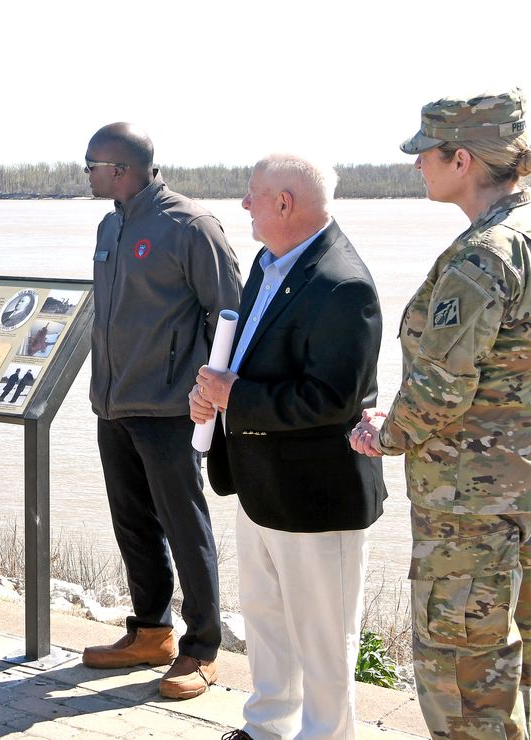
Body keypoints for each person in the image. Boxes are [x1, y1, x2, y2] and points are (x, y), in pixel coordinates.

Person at [351, 89, 531, 738]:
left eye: (423, 153)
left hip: (472, 520)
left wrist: (384, 432)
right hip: (521, 506)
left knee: (467, 699)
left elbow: (442, 389)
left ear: (461, 159)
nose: (416, 166)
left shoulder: (484, 253)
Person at [192, 154, 385, 739]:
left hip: (318, 496)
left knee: (325, 644)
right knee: (268, 624)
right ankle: (267, 730)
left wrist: (235, 396)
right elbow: (249, 358)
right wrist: (214, 394)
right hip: (260, 486)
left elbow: (330, 399)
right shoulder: (268, 262)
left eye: (253, 195)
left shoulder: (343, 285)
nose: (244, 205)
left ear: (285, 203)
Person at [81, 122, 241, 700]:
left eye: (91, 165)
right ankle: (152, 632)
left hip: (171, 409)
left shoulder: (190, 226)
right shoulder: (109, 223)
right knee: (133, 522)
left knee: (184, 523)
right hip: (114, 404)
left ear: (119, 168)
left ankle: (202, 648)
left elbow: (230, 315)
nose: (88, 174)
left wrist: (204, 398)